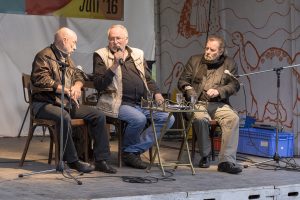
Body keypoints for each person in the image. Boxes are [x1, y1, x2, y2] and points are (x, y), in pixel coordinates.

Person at [31, 27, 117, 174]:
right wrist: (66, 90)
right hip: (45, 103)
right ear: (64, 40)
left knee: (98, 115)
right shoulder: (44, 56)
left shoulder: (67, 58)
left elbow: (78, 75)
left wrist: (77, 87)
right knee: (63, 117)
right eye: (74, 43)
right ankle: (73, 161)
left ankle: (101, 160)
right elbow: (40, 79)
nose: (75, 47)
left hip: (63, 103)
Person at [93, 24, 175, 169]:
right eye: (111, 39)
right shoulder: (101, 55)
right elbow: (99, 84)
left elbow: (148, 78)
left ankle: (131, 151)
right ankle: (130, 154)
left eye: (118, 38)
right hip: (117, 103)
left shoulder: (137, 53)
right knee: (138, 119)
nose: (115, 42)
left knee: (168, 118)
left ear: (126, 40)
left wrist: (157, 93)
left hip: (141, 103)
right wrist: (114, 65)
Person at [178, 35, 242, 174]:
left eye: (212, 50)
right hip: (197, 103)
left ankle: (226, 161)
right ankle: (205, 155)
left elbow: (234, 85)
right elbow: (182, 80)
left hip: (218, 103)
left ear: (220, 51)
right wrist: (189, 89)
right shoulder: (195, 60)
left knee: (233, 118)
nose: (207, 52)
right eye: (206, 48)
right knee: (201, 119)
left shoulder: (229, 64)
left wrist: (219, 91)